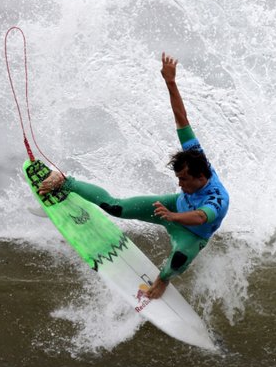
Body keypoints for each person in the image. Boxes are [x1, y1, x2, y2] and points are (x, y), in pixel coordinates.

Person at [38, 53, 229, 299]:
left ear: (201, 177)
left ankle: (162, 281)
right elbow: (182, 118)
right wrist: (170, 82)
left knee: (179, 259)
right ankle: (66, 181)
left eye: (184, 180)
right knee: (115, 207)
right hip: (172, 209)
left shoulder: (218, 198)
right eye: (178, 178)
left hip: (192, 233)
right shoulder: (194, 155)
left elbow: (201, 216)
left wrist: (173, 216)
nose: (179, 183)